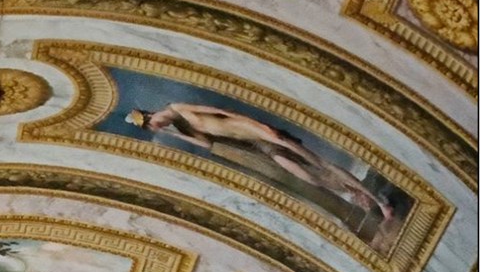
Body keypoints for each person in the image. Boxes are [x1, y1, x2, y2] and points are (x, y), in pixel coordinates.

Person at [125, 100, 394, 224]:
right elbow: (208, 145)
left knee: (321, 165)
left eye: (154, 124)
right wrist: (177, 135)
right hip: (258, 146)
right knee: (310, 178)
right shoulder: (183, 128)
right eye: (154, 129)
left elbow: (224, 112)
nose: (158, 127)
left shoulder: (178, 107)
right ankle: (353, 190)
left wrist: (264, 129)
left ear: (150, 115)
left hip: (257, 132)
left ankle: (379, 201)